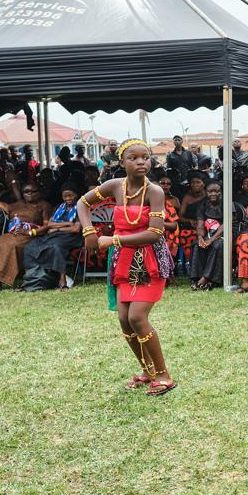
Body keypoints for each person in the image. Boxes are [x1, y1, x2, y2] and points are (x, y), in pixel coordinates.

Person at [79, 139, 176, 396]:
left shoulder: (155, 191)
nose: (141, 161)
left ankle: (164, 375)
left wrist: (112, 240)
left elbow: (155, 233)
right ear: (122, 162)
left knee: (137, 317)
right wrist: (89, 230)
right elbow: (82, 203)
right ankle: (148, 371)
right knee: (124, 320)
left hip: (150, 260)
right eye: (134, 158)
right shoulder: (114, 186)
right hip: (122, 260)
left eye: (145, 157)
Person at [0, 179, 52, 293]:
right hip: (14, 233)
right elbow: (6, 207)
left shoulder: (44, 205)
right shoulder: (19, 204)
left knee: (11, 246)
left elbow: (47, 225)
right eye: (26, 192)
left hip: (31, 235)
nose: (30, 193)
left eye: (33, 191)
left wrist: (32, 232)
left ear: (39, 192)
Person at [22, 186, 83, 290]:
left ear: (76, 195)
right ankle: (29, 279)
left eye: (70, 195)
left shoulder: (80, 207)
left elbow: (76, 229)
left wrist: (57, 228)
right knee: (30, 246)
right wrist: (68, 223)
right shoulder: (59, 207)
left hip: (72, 237)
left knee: (56, 247)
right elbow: (50, 224)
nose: (68, 198)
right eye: (65, 196)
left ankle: (62, 279)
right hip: (54, 235)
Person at [190, 182, 237, 290]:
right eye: (210, 191)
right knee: (197, 244)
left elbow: (226, 223)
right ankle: (196, 278)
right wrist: (201, 238)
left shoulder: (227, 203)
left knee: (218, 245)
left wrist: (211, 239)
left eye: (216, 191)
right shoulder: (203, 205)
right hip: (208, 233)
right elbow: (200, 225)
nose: (213, 194)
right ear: (206, 192)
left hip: (226, 233)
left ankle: (207, 278)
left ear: (221, 192)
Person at [157, 175, 181, 283]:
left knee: (166, 239)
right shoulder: (144, 204)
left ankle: (166, 275)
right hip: (148, 233)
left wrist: (158, 223)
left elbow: (174, 224)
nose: (165, 185)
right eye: (162, 183)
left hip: (166, 231)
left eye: (168, 183)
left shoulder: (171, 203)